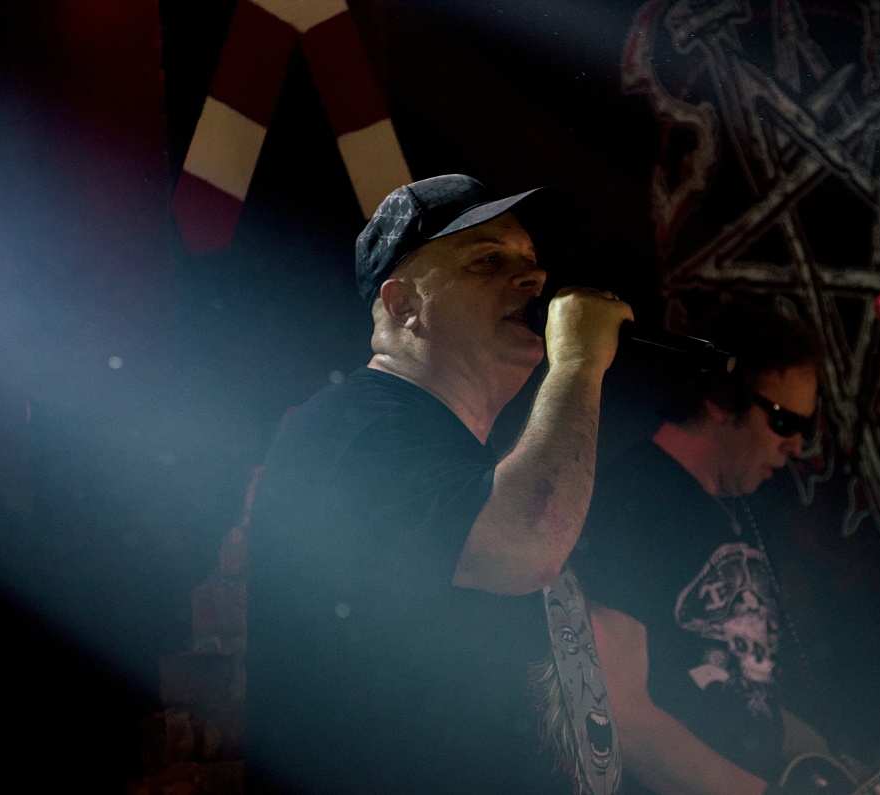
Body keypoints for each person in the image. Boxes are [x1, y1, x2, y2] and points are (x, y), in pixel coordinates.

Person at [244, 174, 631, 794]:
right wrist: (580, 364)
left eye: (532, 263)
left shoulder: (456, 454)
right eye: (488, 262)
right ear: (403, 306)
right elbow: (523, 545)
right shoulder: (356, 431)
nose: (534, 280)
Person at [571, 305, 880, 795]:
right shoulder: (632, 499)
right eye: (782, 421)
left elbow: (751, 704)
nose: (797, 445)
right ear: (720, 401)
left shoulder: (742, 514)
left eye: (806, 426)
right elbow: (616, 711)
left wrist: (867, 779)